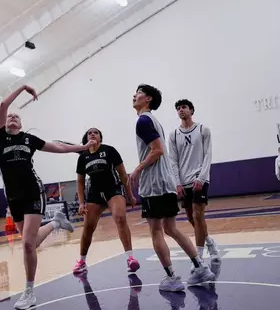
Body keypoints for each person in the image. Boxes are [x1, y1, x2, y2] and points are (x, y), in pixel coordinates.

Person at [0, 84, 96, 310]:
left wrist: (83, 147)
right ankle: (57, 222)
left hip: (33, 192)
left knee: (28, 244)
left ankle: (29, 292)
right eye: (10, 116)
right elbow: (3, 104)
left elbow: (58, 147)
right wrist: (22, 88)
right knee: (31, 241)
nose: (12, 117)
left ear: (21, 125)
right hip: (13, 197)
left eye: (16, 117)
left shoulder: (29, 140)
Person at [130, 84, 215, 292]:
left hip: (154, 185)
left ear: (148, 99)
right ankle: (200, 267)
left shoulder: (143, 120)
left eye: (138, 93)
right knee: (171, 228)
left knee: (156, 231)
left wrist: (137, 169)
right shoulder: (154, 122)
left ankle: (172, 278)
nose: (134, 96)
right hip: (167, 183)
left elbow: (157, 150)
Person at [73, 127, 140, 274]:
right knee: (88, 227)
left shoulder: (109, 151)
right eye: (90, 132)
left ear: (100, 138)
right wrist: (81, 203)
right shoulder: (82, 157)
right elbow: (80, 182)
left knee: (120, 218)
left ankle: (130, 259)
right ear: (86, 139)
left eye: (96, 132)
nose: (92, 133)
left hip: (113, 189)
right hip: (95, 193)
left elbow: (123, 174)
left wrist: (130, 195)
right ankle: (82, 261)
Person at [168, 99, 221, 268]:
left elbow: (208, 154)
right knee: (191, 217)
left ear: (191, 110)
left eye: (183, 107)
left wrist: (202, 177)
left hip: (199, 178)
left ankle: (198, 257)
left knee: (198, 215)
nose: (180, 110)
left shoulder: (203, 129)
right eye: (178, 108)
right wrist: (177, 183)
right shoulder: (173, 135)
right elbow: (173, 161)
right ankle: (209, 242)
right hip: (183, 182)